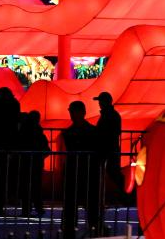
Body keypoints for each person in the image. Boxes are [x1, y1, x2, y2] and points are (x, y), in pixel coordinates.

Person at [61, 100, 102, 237]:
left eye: (73, 111)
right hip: (84, 171)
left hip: (82, 170)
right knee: (84, 202)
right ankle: (92, 228)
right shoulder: (91, 132)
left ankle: (79, 228)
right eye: (71, 112)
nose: (72, 114)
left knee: (79, 202)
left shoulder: (69, 133)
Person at [0, 86, 21, 213]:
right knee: (2, 176)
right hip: (6, 145)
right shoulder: (13, 105)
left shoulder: (0, 106)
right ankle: (0, 203)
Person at [94, 92, 125, 202]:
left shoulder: (108, 115)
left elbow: (108, 132)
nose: (99, 103)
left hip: (107, 148)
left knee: (113, 172)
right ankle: (126, 194)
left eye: (100, 101)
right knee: (113, 172)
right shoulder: (112, 115)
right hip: (110, 147)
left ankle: (126, 194)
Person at [17, 110, 49, 217]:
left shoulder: (23, 132)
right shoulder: (39, 133)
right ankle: (38, 207)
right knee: (36, 186)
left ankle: (27, 209)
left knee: (25, 187)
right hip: (36, 163)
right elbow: (46, 149)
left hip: (25, 163)